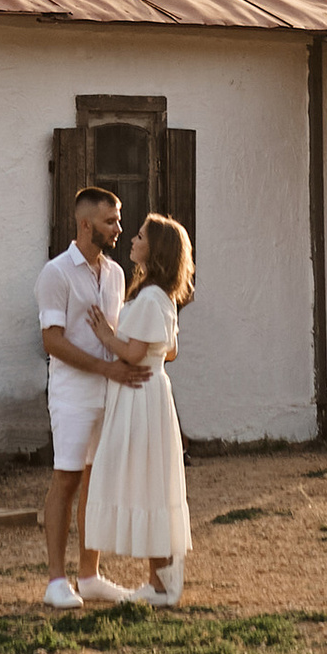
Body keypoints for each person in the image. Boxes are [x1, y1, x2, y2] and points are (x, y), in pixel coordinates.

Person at [35, 185, 148, 610]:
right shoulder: (56, 273)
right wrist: (106, 368)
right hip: (73, 395)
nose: (119, 228)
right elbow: (51, 341)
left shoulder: (117, 274)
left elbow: (115, 335)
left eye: (118, 220)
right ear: (86, 224)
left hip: (111, 394)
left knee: (96, 485)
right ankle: (55, 581)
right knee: (66, 479)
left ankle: (90, 575)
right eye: (111, 221)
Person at [89, 213, 195, 605]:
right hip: (149, 394)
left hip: (141, 395)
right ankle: (158, 582)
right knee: (153, 481)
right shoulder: (158, 295)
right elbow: (170, 350)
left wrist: (107, 336)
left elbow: (135, 353)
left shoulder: (151, 297)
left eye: (140, 236)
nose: (132, 239)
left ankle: (161, 585)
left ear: (156, 249)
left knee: (150, 481)